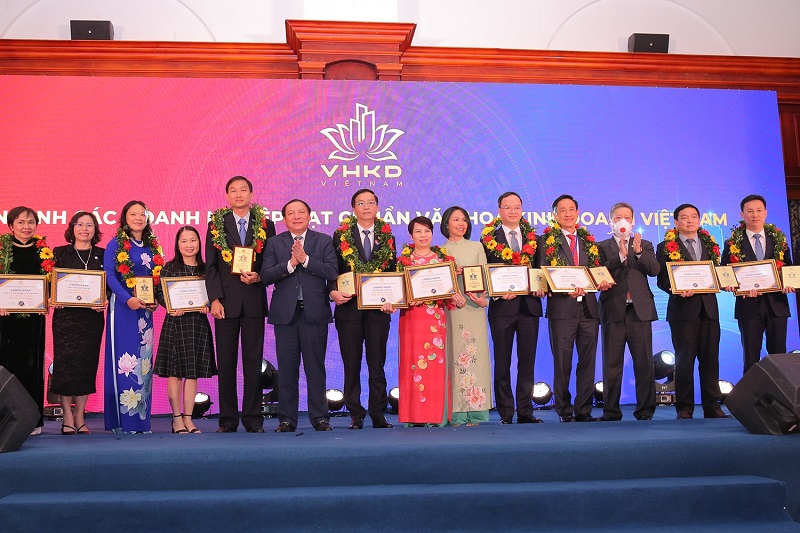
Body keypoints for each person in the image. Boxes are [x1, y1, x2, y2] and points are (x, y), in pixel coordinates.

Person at [205, 176, 275, 433]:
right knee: (226, 364)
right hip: (225, 304)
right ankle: (228, 419)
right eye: (233, 190)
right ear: (227, 195)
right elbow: (211, 266)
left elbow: (271, 261)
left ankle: (253, 419)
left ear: (251, 194)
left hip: (254, 300)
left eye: (243, 190)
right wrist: (214, 299)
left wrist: (261, 276)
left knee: (253, 363)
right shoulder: (216, 224)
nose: (238, 194)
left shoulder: (265, 224)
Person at [262, 199, 338, 432]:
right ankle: (287, 419)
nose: (296, 217)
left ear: (309, 216)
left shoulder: (323, 240)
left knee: (316, 369)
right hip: (285, 316)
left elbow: (332, 271)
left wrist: (306, 260)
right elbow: (266, 275)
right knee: (287, 370)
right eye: (291, 213)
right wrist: (290, 264)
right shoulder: (274, 242)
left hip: (314, 313)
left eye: (301, 212)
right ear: (284, 219)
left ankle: (320, 418)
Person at [329, 189, 396, 430]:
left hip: (378, 310)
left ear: (377, 207)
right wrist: (332, 291)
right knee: (352, 363)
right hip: (349, 309)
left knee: (377, 364)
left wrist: (393, 299)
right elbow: (332, 268)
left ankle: (378, 413)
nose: (366, 207)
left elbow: (392, 272)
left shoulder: (387, 236)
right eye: (361, 203)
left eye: (370, 203)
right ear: (353, 208)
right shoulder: (340, 235)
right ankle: (355, 413)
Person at [656, 203, 729, 419]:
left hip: (709, 310)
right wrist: (675, 289)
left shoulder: (710, 244)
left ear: (699, 220)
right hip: (682, 311)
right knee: (684, 361)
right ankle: (684, 407)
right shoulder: (664, 247)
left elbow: (719, 274)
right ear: (676, 222)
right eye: (685, 217)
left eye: (694, 216)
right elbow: (662, 279)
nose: (690, 220)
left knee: (710, 360)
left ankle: (712, 406)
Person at [538, 194, 603, 423]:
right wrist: (561, 288)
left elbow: (596, 271)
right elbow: (542, 272)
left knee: (587, 362)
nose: (568, 214)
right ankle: (564, 410)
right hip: (562, 309)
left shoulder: (588, 241)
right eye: (562, 210)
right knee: (562, 362)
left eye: (571, 209)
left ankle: (583, 409)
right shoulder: (546, 241)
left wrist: (600, 282)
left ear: (577, 212)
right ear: (555, 215)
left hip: (588, 309)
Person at [481, 192, 544, 424]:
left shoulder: (535, 238)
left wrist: (541, 287)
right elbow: (484, 272)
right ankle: (506, 412)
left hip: (529, 307)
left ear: (522, 210)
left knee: (527, 362)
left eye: (517, 207)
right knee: (502, 361)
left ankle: (526, 411)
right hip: (502, 308)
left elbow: (540, 270)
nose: (513, 211)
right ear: (499, 211)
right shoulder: (488, 239)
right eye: (508, 207)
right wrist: (496, 292)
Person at [392, 216, 458, 427]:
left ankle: (434, 416)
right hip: (411, 319)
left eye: (427, 231)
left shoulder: (443, 260)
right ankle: (413, 416)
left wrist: (455, 296)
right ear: (411, 235)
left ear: (432, 234)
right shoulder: (403, 262)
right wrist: (400, 300)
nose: (423, 235)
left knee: (434, 367)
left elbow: (450, 294)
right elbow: (397, 293)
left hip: (434, 320)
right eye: (418, 231)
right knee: (412, 364)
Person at [103, 200, 163, 433]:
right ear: (124, 218)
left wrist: (155, 298)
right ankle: (124, 421)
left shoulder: (152, 246)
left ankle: (141, 421)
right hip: (123, 309)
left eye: (142, 214)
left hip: (145, 312)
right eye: (133, 214)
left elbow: (155, 277)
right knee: (126, 361)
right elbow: (109, 275)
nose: (138, 218)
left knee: (144, 362)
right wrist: (127, 298)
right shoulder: (116, 244)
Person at [596, 202, 658, 421]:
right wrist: (620, 257)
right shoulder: (600, 246)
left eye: (627, 217)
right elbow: (598, 272)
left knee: (644, 363)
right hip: (613, 309)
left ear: (633, 221)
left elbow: (655, 270)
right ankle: (611, 411)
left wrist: (638, 253)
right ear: (610, 221)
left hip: (639, 311)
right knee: (611, 363)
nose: (623, 221)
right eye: (618, 217)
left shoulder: (645, 244)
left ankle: (645, 410)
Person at [721, 194, 794, 375]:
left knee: (779, 358)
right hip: (748, 306)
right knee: (751, 358)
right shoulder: (732, 243)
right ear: (742, 214)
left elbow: (789, 267)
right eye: (750, 211)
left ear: (765, 213)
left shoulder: (779, 239)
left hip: (777, 305)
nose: (755, 215)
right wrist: (733, 285)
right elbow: (724, 272)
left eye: (759, 210)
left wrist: (789, 283)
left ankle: (779, 394)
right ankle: (751, 394)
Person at [155, 226, 217, 434]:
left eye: (193, 240)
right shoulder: (169, 268)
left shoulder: (206, 269)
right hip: (176, 323)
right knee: (175, 373)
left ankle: (188, 419)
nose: (189, 245)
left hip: (198, 324)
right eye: (184, 241)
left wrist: (208, 304)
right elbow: (160, 293)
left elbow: (214, 292)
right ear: (177, 244)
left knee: (192, 373)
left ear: (199, 243)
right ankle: (176, 418)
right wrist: (171, 306)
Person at [0, 206, 53, 436]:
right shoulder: (2, 248)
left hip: (33, 320)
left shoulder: (43, 251)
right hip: (4, 319)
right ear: (11, 225)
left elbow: (50, 282)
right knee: (5, 366)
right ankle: (4, 420)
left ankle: (32, 421)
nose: (26, 227)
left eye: (31, 222)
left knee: (32, 367)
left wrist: (48, 299)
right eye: (20, 222)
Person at [50, 211, 105, 435]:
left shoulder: (102, 255)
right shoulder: (59, 253)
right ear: (72, 228)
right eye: (80, 224)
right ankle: (66, 415)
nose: (84, 229)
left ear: (95, 229)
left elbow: (109, 284)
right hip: (65, 319)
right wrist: (51, 296)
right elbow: (49, 282)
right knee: (65, 366)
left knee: (86, 365)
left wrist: (105, 299)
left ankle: (80, 416)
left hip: (92, 319)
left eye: (89, 225)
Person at [441, 206, 491, 426]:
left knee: (475, 356)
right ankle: (456, 411)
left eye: (464, 220)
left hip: (474, 308)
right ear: (446, 224)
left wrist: (484, 299)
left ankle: (476, 410)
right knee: (454, 355)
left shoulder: (476, 246)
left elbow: (485, 276)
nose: (461, 224)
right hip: (452, 310)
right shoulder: (440, 251)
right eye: (455, 219)